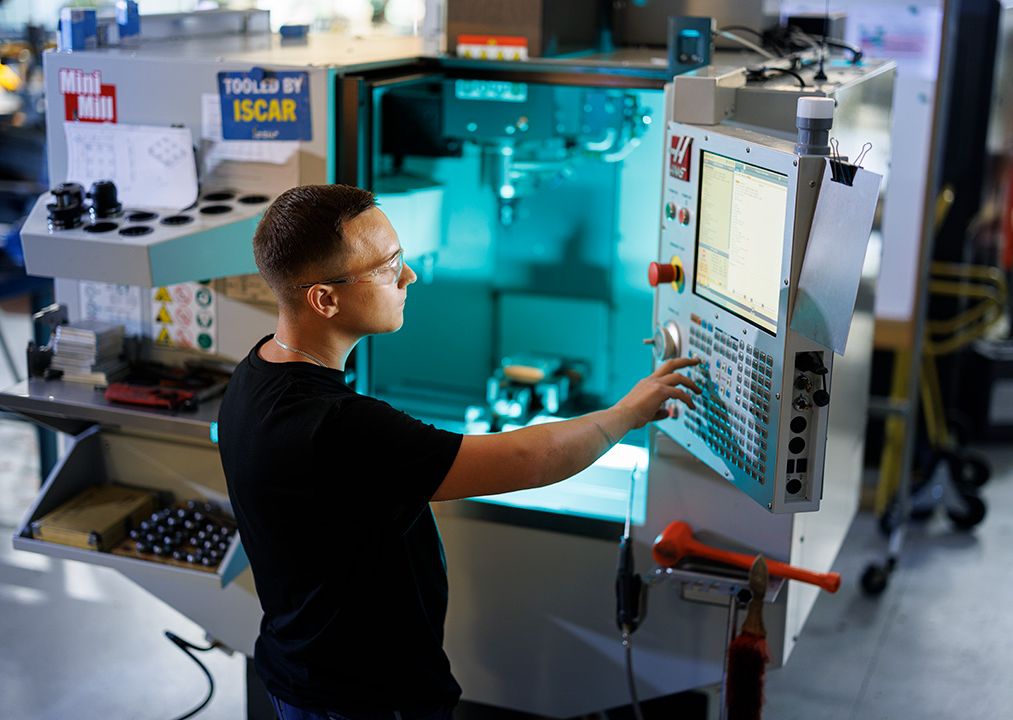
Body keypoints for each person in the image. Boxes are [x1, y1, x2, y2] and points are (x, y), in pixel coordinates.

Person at [218, 184, 702, 720]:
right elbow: (528, 460)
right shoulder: (336, 427)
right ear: (324, 299)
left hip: (301, 670)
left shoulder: (256, 370)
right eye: (388, 266)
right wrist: (627, 413)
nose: (410, 276)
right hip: (364, 699)